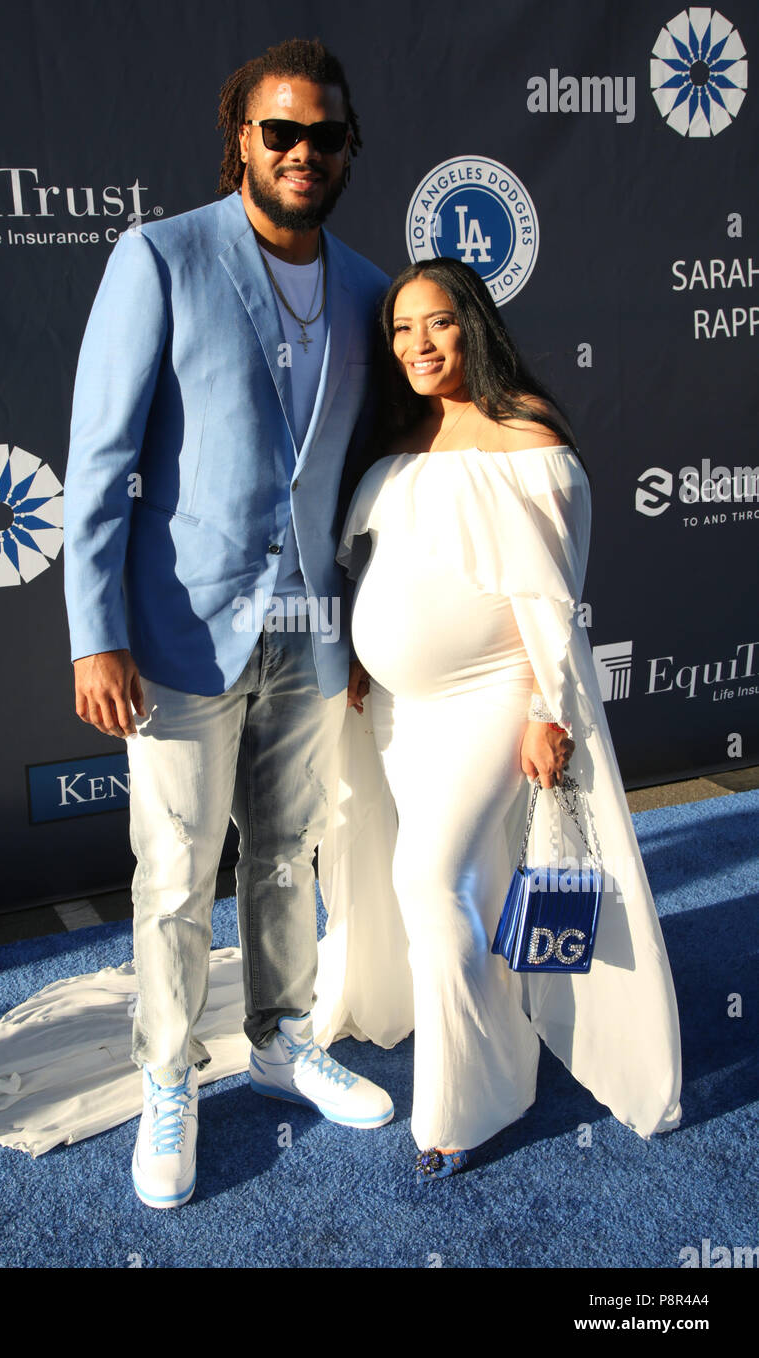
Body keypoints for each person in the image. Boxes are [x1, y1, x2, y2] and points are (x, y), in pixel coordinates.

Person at [61, 38, 392, 1209]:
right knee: (172, 877)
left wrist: (364, 631)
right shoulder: (158, 257)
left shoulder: (366, 287)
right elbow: (98, 464)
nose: (304, 153)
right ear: (239, 139)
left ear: (352, 149)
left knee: (289, 855)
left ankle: (284, 1040)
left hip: (311, 635)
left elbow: (366, 470)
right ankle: (167, 1073)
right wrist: (92, 632)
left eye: (327, 135)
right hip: (179, 638)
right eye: (281, 133)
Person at [310, 257, 683, 1179]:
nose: (417, 345)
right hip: (398, 706)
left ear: (472, 324)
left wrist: (550, 709)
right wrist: (363, 654)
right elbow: (377, 565)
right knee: (459, 883)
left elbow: (550, 591)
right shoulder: (400, 434)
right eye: (400, 330)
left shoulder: (525, 430)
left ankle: (465, 1103)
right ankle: (500, 1041)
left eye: (436, 323)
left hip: (494, 696)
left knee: (432, 881)